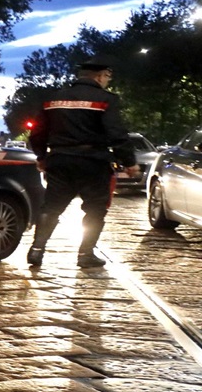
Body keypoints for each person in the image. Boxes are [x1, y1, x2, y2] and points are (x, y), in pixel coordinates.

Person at [26, 54, 139, 268]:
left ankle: (36, 250)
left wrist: (41, 157)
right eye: (107, 77)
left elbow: (37, 133)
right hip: (93, 163)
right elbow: (117, 133)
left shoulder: (53, 99)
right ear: (100, 76)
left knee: (51, 207)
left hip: (60, 161)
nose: (107, 81)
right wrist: (129, 162)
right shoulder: (105, 100)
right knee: (95, 209)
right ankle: (85, 254)